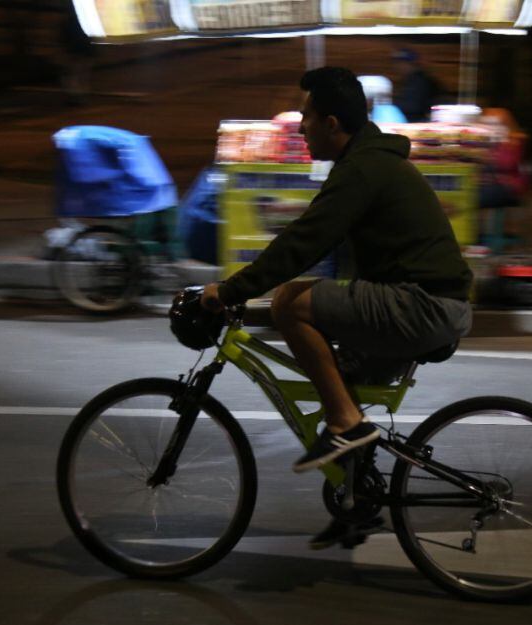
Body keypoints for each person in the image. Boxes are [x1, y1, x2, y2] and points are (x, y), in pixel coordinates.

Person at [200, 67, 473, 547]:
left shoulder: (362, 169)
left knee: (292, 303)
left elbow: (303, 244)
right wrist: (259, 305)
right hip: (423, 304)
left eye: (305, 117)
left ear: (330, 123)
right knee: (335, 376)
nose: (299, 126)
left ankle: (347, 426)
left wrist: (230, 292)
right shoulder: (367, 162)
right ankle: (357, 503)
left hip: (424, 306)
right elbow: (328, 266)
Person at [391, 48, 440, 123]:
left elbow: (412, 107)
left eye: (398, 63)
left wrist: (391, 106)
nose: (396, 67)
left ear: (409, 63)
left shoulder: (419, 81)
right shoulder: (412, 79)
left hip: (420, 123)